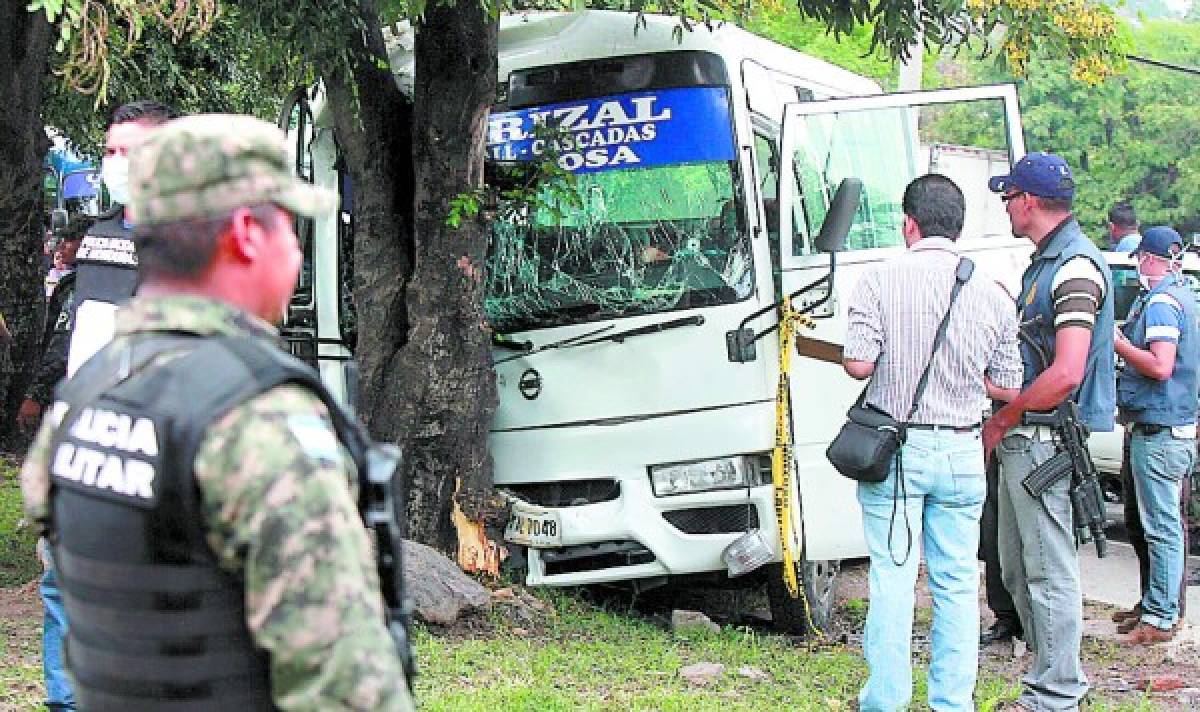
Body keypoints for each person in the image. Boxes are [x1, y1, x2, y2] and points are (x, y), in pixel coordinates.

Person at [20, 114, 415, 710]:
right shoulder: (256, 417)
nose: (295, 247)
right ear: (247, 236)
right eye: (288, 225)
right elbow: (345, 683)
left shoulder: (85, 394)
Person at [843, 174, 1022, 712]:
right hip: (964, 450)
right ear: (960, 226)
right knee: (957, 583)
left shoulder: (878, 280)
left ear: (909, 223)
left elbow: (858, 364)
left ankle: (886, 701)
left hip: (900, 453)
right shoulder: (992, 295)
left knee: (894, 581)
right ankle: (952, 702)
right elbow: (1007, 385)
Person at [983, 152, 1116, 711]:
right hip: (1028, 438)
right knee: (1015, 567)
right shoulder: (1044, 264)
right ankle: (1047, 677)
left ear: (1029, 201)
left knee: (1046, 573)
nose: (1007, 207)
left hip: (1042, 442)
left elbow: (1066, 372)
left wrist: (1004, 418)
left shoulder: (1074, 268)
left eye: (1008, 197)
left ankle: (1057, 693)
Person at [1111, 226, 1198, 644]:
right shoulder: (1187, 297)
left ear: (1147, 258)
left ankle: (1162, 617)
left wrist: (1118, 344)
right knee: (1155, 522)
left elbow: (1161, 366)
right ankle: (1153, 604)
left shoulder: (1162, 303)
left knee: (1161, 525)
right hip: (1172, 425)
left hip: (1160, 429)